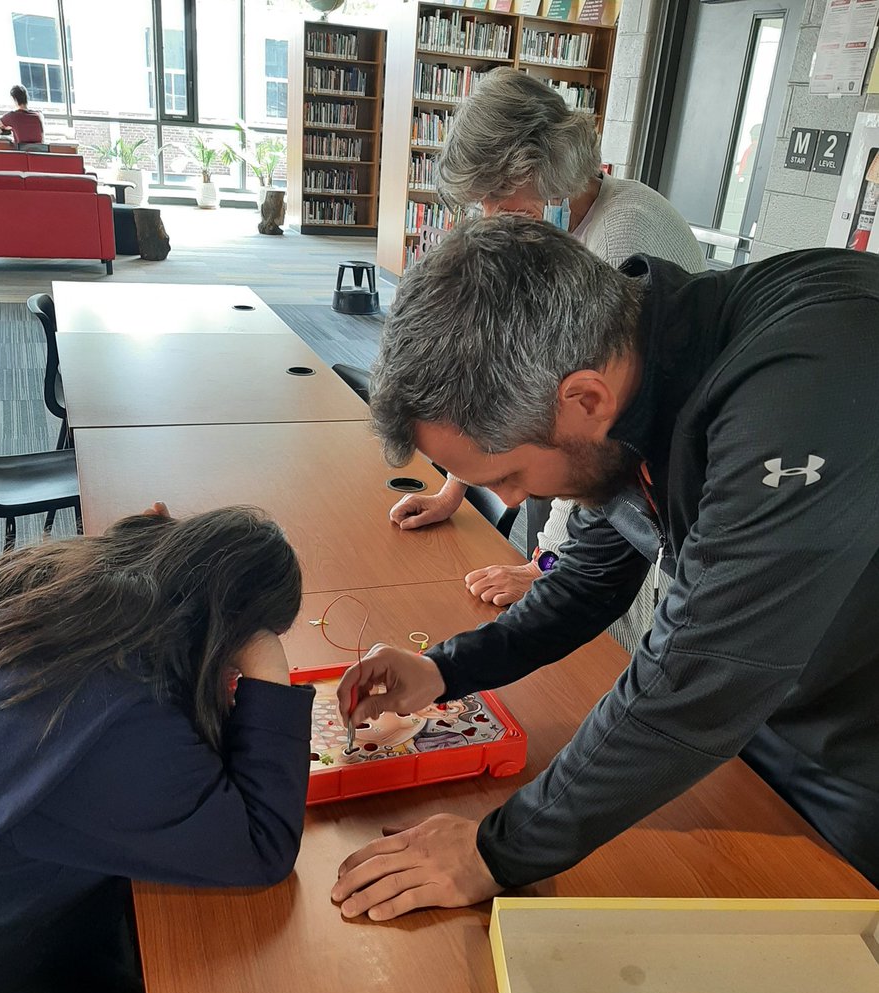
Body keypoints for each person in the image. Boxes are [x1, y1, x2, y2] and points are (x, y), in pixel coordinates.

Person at [331, 215, 879, 923]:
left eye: (512, 473)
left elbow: (701, 675)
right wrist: (446, 671)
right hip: (767, 707)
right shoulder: (640, 373)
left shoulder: (804, 382)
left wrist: (495, 852)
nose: (516, 501)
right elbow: (591, 576)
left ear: (584, 397)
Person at [0, 504, 313, 993]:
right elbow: (260, 846)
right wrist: (267, 669)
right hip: (0, 991)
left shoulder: (47, 589)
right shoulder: (117, 717)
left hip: (19, 922)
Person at [388, 68, 704, 641]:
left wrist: (545, 569)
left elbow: (585, 440)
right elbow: (500, 389)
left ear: (541, 168)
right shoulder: (556, 223)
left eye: (495, 193)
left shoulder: (623, 234)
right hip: (578, 480)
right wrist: (456, 484)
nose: (490, 214)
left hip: (637, 496)